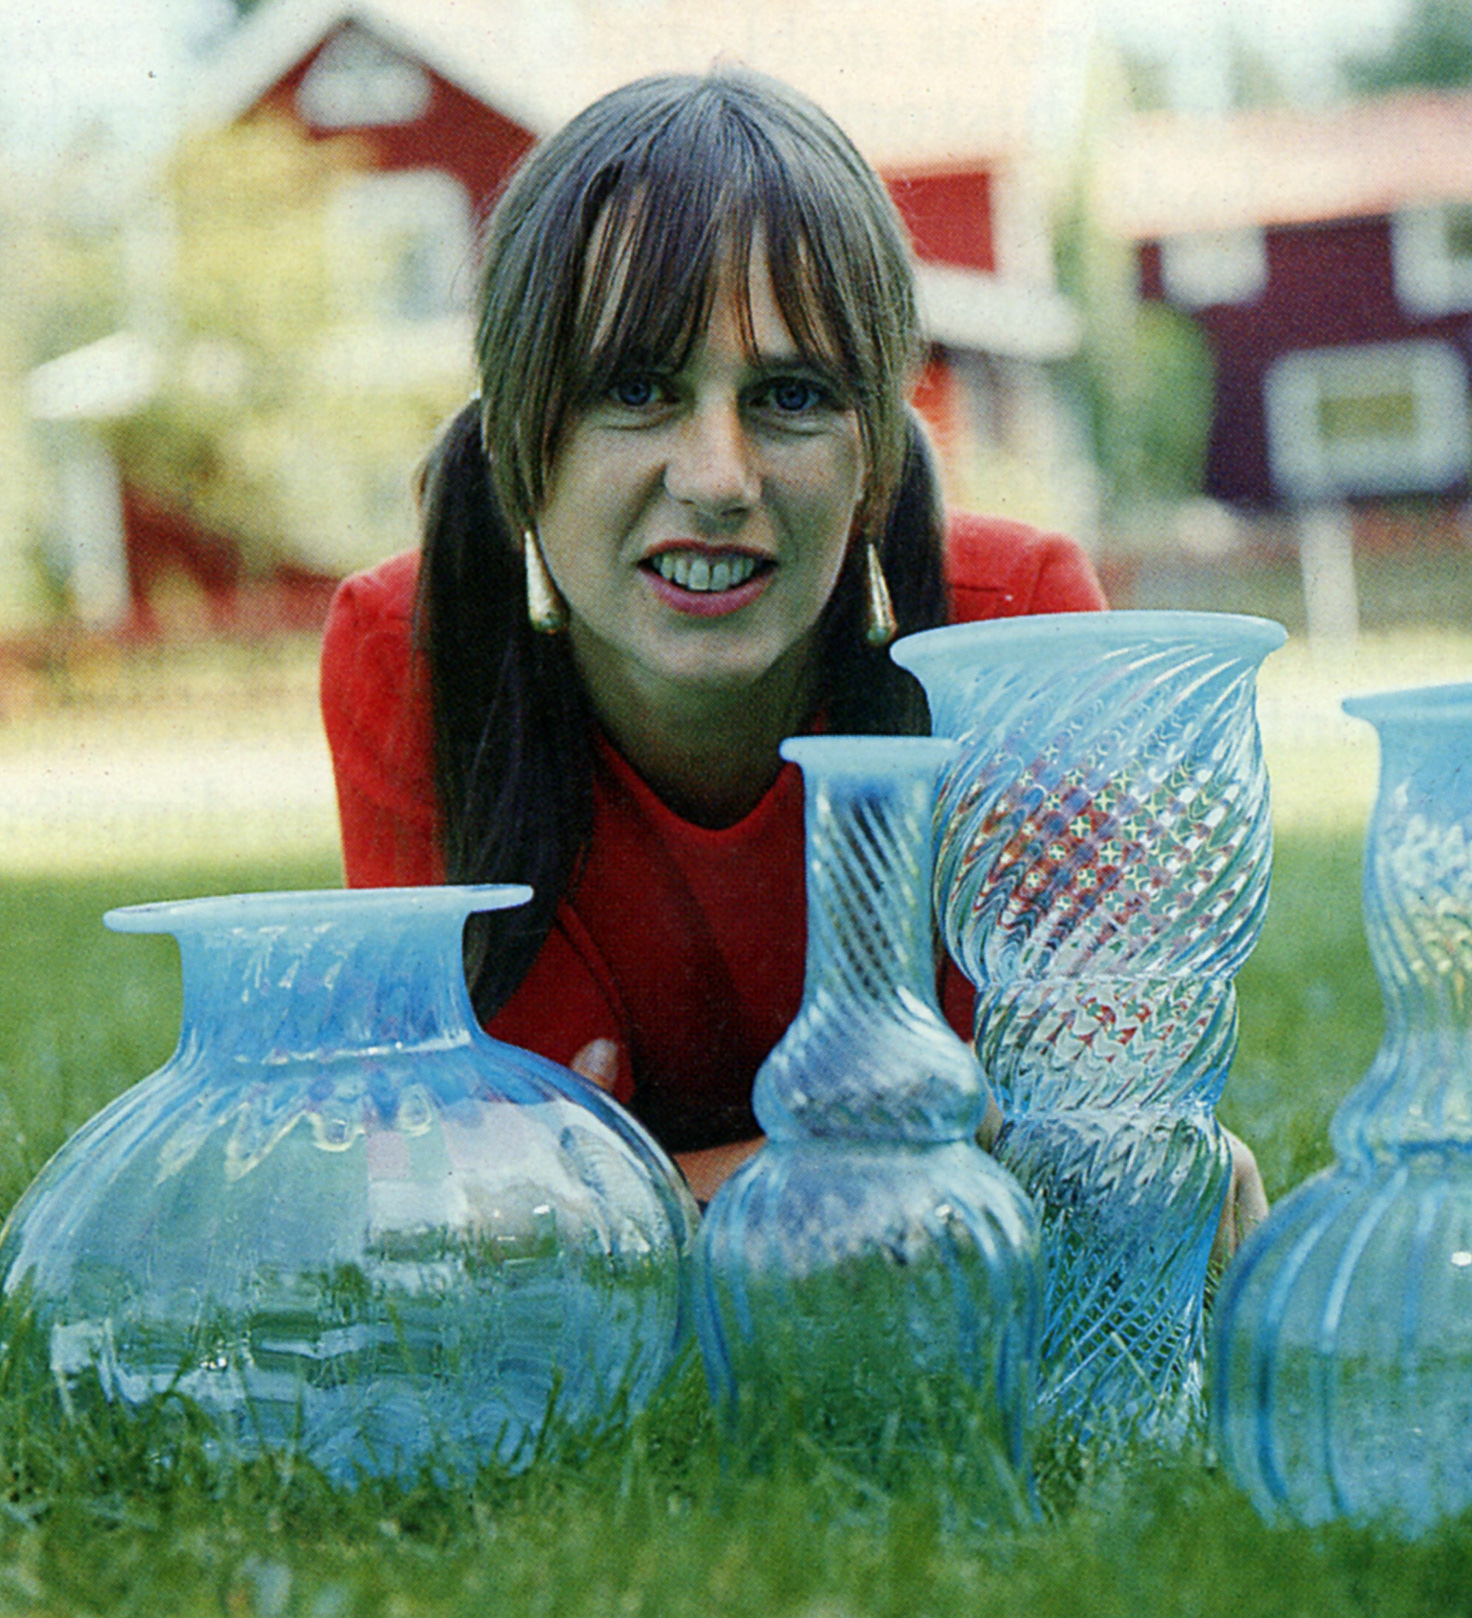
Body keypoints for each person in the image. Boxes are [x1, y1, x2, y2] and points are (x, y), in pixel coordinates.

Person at [320, 67, 1266, 1248]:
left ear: (874, 456)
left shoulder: (1017, 631)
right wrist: (914, 1156)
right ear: (518, 440)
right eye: (634, 387)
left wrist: (642, 1194)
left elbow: (1091, 1132)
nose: (717, 478)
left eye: (790, 394)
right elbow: (478, 1191)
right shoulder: (409, 652)